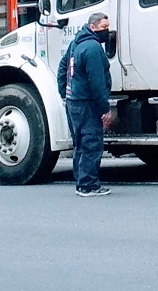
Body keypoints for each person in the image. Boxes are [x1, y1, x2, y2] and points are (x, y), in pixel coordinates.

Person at [58, 12, 115, 197]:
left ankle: (80, 180)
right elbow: (97, 82)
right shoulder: (93, 48)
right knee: (92, 143)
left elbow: (62, 68)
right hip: (87, 103)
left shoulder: (75, 44)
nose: (106, 31)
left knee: (80, 144)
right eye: (103, 27)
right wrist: (104, 108)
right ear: (93, 27)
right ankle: (88, 185)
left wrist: (63, 92)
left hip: (73, 101)